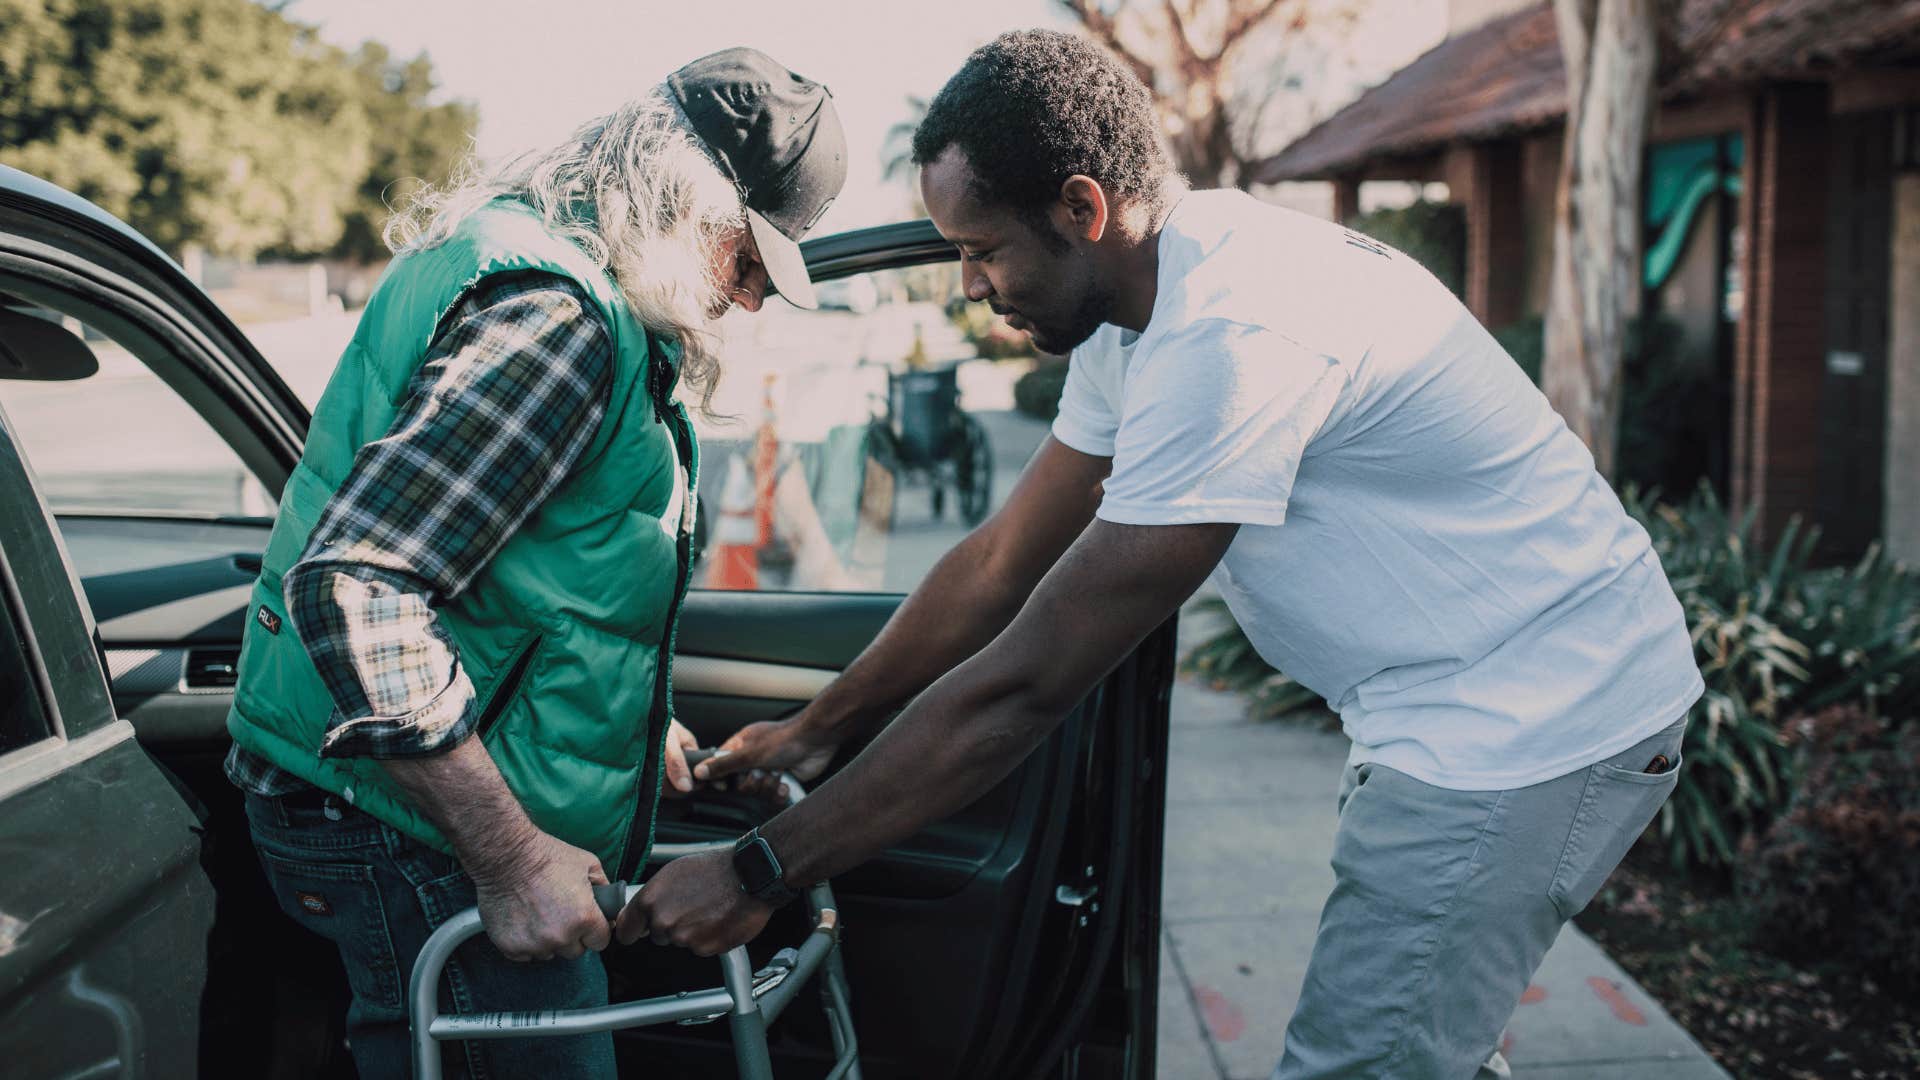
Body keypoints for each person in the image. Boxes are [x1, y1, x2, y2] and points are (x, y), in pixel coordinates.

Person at [626, 29, 1703, 1080]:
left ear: (1083, 210)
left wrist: (761, 870)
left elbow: (1029, 683)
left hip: (1533, 722)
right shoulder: (1142, 310)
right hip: (1452, 707)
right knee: (1422, 1039)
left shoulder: (1232, 331)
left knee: (1363, 1061)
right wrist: (818, 732)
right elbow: (1004, 560)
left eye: (981, 249)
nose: (969, 286)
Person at [223, 48, 845, 1078]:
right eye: (748, 260)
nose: (747, 300)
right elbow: (360, 586)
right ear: (688, 199)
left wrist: (626, 725)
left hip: (378, 797)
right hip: (409, 829)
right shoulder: (560, 321)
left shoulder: (524, 263)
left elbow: (515, 573)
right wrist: (510, 859)